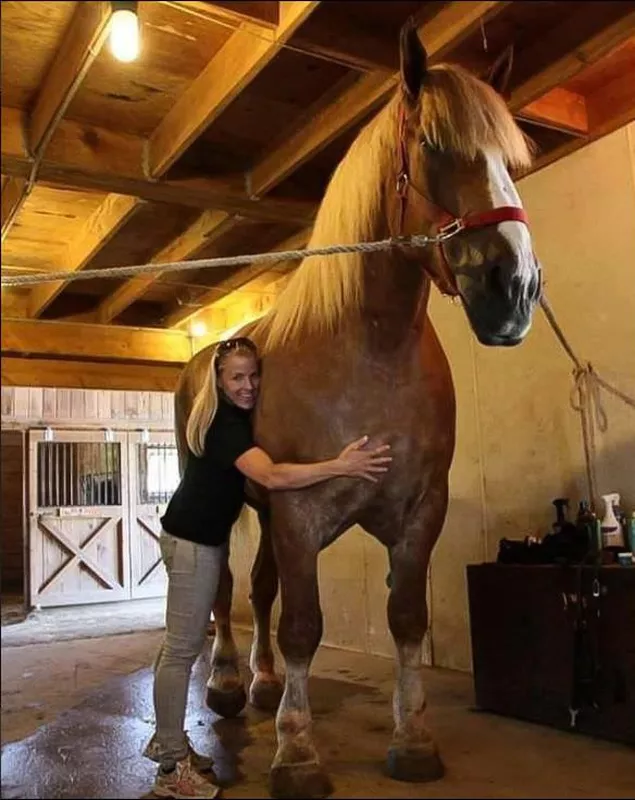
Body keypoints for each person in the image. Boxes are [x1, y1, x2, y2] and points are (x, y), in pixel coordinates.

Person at [143, 336, 392, 799]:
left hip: (197, 542)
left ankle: (169, 743)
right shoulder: (223, 427)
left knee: (176, 649)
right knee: (180, 652)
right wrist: (340, 466)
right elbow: (274, 476)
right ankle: (170, 773)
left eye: (254, 375)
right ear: (218, 380)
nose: (248, 385)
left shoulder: (234, 419)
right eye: (237, 377)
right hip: (192, 546)